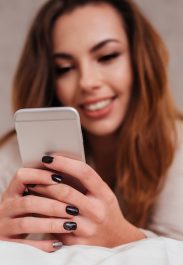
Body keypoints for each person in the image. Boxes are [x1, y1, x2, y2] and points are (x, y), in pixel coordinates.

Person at [0, 0, 183, 253]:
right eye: (64, 68)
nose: (87, 82)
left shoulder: (178, 146)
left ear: (140, 61)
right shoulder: (14, 157)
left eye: (107, 56)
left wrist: (123, 236)